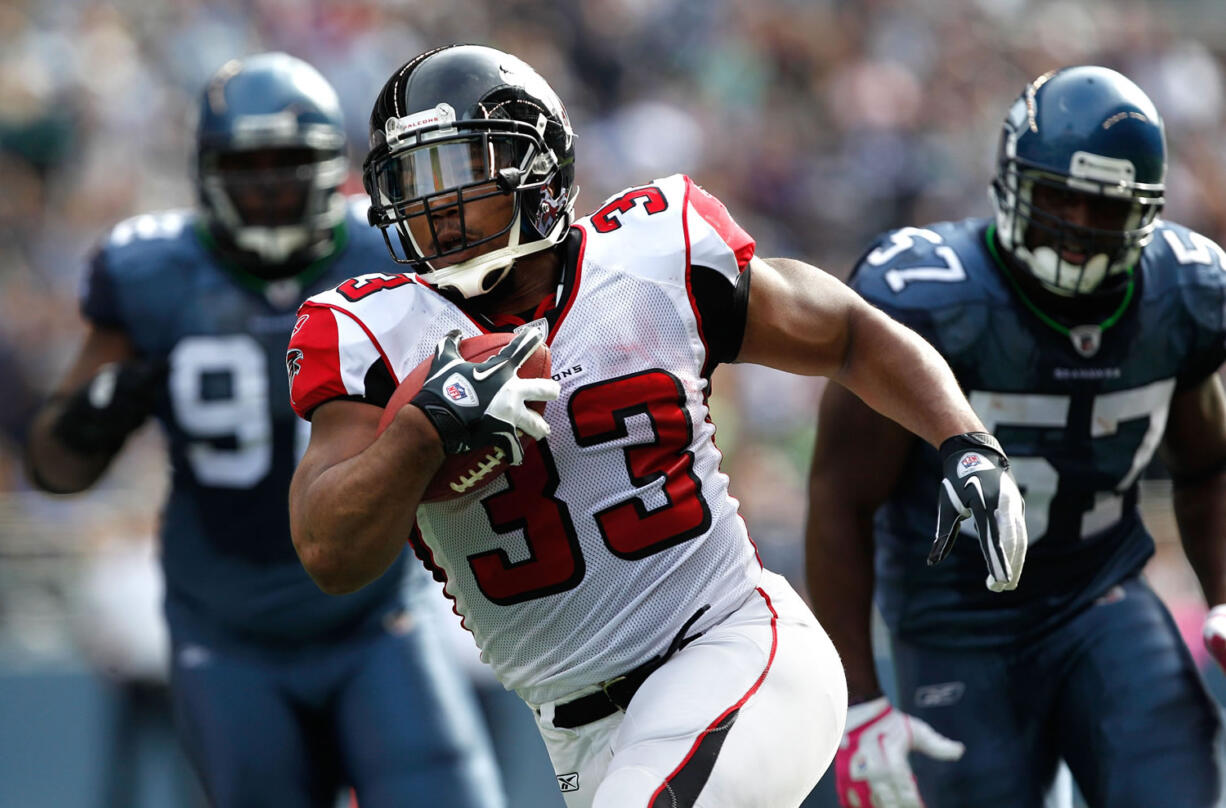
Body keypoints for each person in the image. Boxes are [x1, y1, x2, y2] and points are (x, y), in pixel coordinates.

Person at [284, 44, 1027, 808]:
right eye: (413, 180)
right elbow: (326, 552)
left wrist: (964, 439)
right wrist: (423, 431)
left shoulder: (649, 258)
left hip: (734, 650)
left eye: (459, 170)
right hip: (578, 731)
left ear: (537, 170)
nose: (433, 205)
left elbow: (846, 331)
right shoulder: (374, 335)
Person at [24, 52, 505, 808]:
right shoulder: (149, 273)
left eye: (291, 162)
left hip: (375, 615)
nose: (272, 184)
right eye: (251, 164)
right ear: (207, 169)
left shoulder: (390, 254)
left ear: (331, 166)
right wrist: (93, 419)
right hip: (227, 631)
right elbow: (55, 470)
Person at [807, 65, 1226, 808]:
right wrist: (860, 703)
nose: (1076, 229)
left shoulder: (1182, 297)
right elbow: (840, 500)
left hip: (1103, 595)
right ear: (1010, 180)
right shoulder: (930, 296)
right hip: (954, 623)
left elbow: (1208, 468)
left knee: (1176, 789)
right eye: (1059, 197)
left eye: (1103, 208)